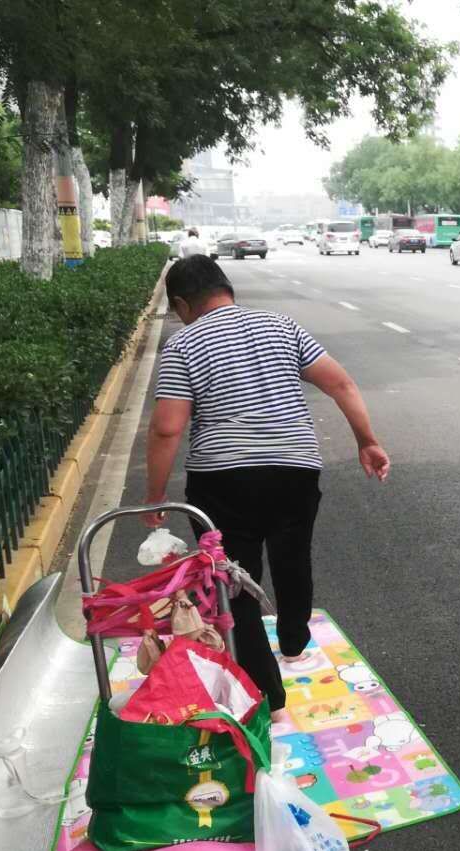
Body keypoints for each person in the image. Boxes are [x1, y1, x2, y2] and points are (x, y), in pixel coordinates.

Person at [141, 255, 390, 724]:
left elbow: (168, 428)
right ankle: (295, 641)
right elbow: (341, 383)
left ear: (181, 303)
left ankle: (271, 701)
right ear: (226, 289)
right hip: (295, 468)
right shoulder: (282, 326)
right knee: (293, 554)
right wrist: (368, 442)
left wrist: (155, 498)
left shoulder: (184, 343)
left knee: (233, 581)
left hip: (223, 480)